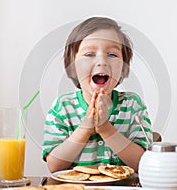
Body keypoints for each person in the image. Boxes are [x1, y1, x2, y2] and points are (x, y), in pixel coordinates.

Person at [42, 17, 152, 173]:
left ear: (123, 67)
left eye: (112, 55)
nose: (102, 61)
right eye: (89, 54)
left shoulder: (132, 105)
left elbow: (144, 164)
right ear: (72, 66)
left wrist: (105, 129)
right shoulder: (63, 107)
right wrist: (85, 128)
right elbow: (54, 166)